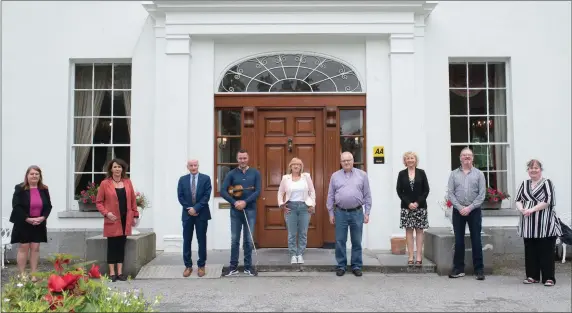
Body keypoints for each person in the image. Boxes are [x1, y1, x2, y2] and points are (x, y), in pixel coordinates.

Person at [515, 159, 561, 286]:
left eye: (536, 168)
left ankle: (549, 278)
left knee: (546, 251)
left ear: (540, 170)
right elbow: (518, 199)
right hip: (528, 224)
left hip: (545, 223)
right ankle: (532, 276)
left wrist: (532, 209)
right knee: (530, 251)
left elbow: (548, 201)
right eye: (531, 168)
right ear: (528, 170)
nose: (533, 170)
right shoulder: (524, 183)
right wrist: (522, 209)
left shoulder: (547, 183)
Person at [326, 151, 372, 277]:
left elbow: (367, 195)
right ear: (341, 162)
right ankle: (341, 265)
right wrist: (331, 213)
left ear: (353, 160)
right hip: (340, 212)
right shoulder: (335, 176)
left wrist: (367, 212)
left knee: (356, 241)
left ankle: (356, 265)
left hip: (357, 212)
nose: (346, 162)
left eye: (349, 160)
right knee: (340, 240)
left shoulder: (362, 175)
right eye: (344, 160)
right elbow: (330, 195)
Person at [96, 158, 139, 282]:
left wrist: (135, 215)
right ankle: (112, 273)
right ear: (111, 169)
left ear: (123, 169)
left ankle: (120, 272)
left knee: (121, 246)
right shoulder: (105, 183)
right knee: (112, 246)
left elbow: (133, 200)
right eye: (115, 167)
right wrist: (106, 213)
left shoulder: (127, 182)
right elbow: (99, 202)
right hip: (113, 219)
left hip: (125, 218)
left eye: (119, 167)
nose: (117, 169)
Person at [447, 147, 486, 280]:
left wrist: (469, 208)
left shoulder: (479, 174)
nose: (467, 157)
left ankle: (479, 270)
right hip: (458, 211)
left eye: (469, 155)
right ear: (460, 158)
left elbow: (481, 195)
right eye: (464, 155)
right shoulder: (453, 174)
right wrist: (459, 207)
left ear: (473, 158)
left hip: (474, 211)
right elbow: (450, 194)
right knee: (459, 241)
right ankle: (458, 269)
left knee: (476, 240)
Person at [221, 149, 261, 276]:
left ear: (248, 158)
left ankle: (248, 267)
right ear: (237, 159)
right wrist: (234, 202)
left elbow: (258, 191)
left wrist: (245, 202)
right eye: (240, 158)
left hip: (250, 210)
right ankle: (233, 267)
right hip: (235, 211)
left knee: (248, 240)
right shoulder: (232, 174)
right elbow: (223, 191)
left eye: (244, 158)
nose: (242, 160)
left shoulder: (255, 173)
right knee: (235, 240)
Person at [10, 165, 52, 281]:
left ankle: (34, 274)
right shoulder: (20, 188)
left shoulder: (44, 189)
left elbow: (48, 206)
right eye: (32, 174)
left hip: (39, 222)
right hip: (23, 222)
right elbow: (16, 206)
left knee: (35, 247)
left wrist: (43, 217)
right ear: (27, 176)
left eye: (36, 174)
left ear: (40, 176)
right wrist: (27, 218)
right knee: (24, 247)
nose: (34, 176)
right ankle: (22, 274)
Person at [277, 157, 316, 264]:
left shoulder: (306, 176)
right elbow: (280, 193)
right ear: (290, 166)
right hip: (291, 207)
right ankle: (293, 254)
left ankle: (300, 254)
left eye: (298, 164)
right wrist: (281, 205)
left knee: (303, 233)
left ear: (301, 166)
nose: (296, 166)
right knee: (292, 233)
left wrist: (312, 204)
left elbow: (312, 191)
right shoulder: (286, 178)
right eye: (294, 164)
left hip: (304, 207)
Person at [177, 159, 212, 278]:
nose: (193, 167)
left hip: (201, 214)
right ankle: (188, 266)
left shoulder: (206, 179)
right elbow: (180, 196)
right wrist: (189, 209)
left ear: (198, 166)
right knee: (187, 240)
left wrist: (196, 208)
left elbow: (206, 196)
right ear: (187, 167)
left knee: (201, 240)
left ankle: (201, 266)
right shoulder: (182, 180)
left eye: (195, 165)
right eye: (191, 165)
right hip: (187, 215)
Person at [395, 151, 430, 266]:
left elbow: (426, 190)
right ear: (405, 161)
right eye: (408, 158)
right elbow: (399, 191)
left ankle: (419, 257)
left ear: (416, 160)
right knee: (409, 232)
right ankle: (410, 256)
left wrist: (417, 203)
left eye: (412, 158)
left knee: (419, 232)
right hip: (406, 208)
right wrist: (409, 203)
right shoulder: (401, 174)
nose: (410, 160)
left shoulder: (421, 173)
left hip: (420, 207)